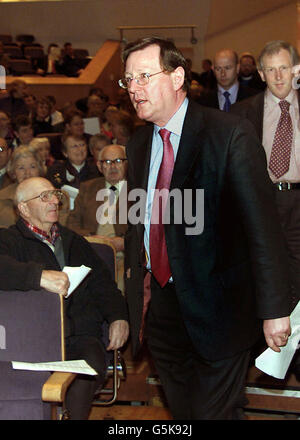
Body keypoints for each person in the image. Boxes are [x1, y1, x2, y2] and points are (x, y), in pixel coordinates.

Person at [120, 36, 292, 420]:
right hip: (162, 315)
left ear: (178, 76)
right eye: (128, 80)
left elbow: (263, 230)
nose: (134, 88)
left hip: (220, 310)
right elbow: (138, 228)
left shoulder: (228, 134)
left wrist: (275, 309)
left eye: (144, 76)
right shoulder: (137, 145)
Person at [0, 176, 129, 419]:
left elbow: (103, 284)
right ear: (24, 208)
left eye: (55, 195)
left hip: (80, 338)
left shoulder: (74, 241)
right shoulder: (8, 240)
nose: (54, 202)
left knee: (82, 378)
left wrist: (118, 316)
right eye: (44, 197)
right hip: (32, 341)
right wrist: (37, 276)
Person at [231, 40, 300, 378]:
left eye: (284, 67)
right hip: (259, 203)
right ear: (260, 74)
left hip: (299, 202)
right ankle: (259, 356)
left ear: (296, 70)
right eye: (270, 69)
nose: (278, 75)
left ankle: (292, 358)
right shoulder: (242, 113)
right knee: (260, 275)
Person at [67, 144, 128, 293]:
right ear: (99, 166)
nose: (113, 166)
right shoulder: (88, 187)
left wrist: (126, 242)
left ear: (127, 164)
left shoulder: (139, 190)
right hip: (92, 252)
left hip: (124, 256)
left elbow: (148, 229)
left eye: (118, 161)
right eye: (107, 162)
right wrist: (92, 238)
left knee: (119, 286)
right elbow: (71, 224)